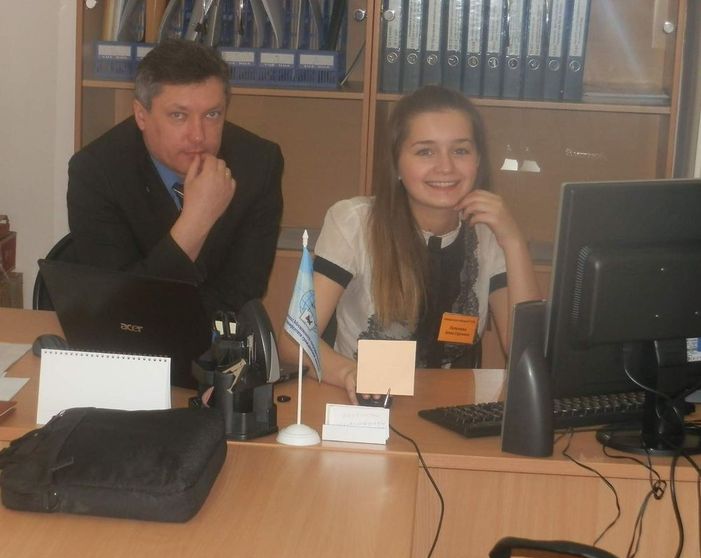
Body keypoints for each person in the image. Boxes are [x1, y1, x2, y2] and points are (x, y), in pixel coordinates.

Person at [281, 85, 540, 404]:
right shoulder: (354, 222)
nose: (445, 167)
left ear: (479, 161)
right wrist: (349, 372)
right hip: (366, 405)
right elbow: (294, 343)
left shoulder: (490, 233)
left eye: (460, 151)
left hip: (455, 410)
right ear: (397, 164)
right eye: (425, 152)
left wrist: (513, 241)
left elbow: (527, 352)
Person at [67, 39, 283, 316]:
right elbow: (119, 306)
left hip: (213, 335)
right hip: (128, 336)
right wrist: (196, 221)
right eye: (179, 116)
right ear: (141, 115)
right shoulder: (96, 172)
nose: (198, 136)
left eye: (212, 114)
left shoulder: (258, 165)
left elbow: (242, 293)